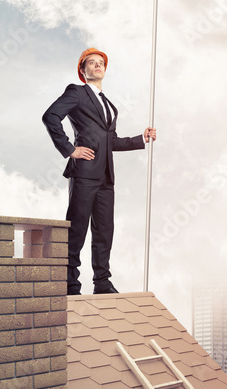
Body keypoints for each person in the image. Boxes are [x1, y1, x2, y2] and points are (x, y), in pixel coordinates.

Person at [42, 48, 158, 295]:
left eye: (100, 62)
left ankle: (102, 282)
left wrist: (142, 138)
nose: (97, 65)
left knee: (105, 230)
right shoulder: (77, 92)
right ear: (83, 71)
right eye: (91, 63)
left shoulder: (108, 105)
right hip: (84, 172)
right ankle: (70, 283)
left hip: (106, 175)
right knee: (77, 228)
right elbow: (50, 116)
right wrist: (70, 149)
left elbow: (111, 141)